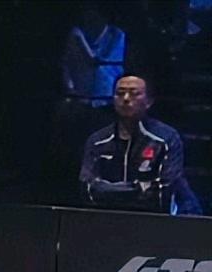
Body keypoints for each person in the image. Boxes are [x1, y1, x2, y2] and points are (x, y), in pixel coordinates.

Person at [80, 73, 203, 215]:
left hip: (158, 219)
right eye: (120, 93)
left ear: (149, 101)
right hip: (109, 217)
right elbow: (88, 188)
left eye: (134, 94)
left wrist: (108, 190)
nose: (126, 98)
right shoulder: (97, 141)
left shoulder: (166, 139)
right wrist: (140, 189)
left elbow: (163, 190)